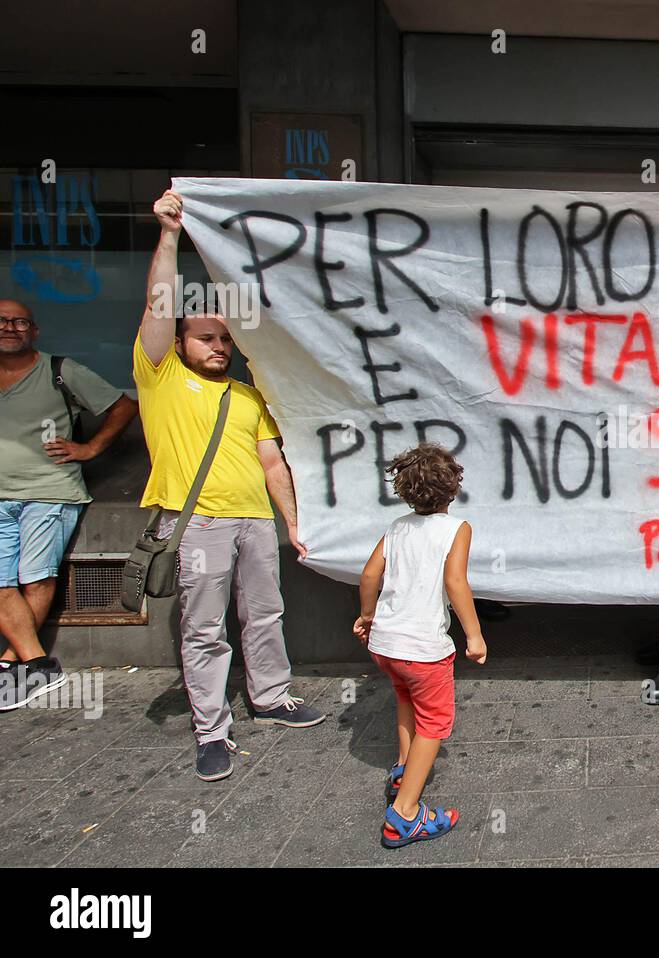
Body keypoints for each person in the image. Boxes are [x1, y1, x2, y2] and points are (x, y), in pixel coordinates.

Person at [137, 189, 324, 781]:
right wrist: (169, 235)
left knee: (265, 613)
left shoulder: (247, 396)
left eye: (225, 340)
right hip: (197, 525)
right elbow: (158, 305)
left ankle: (271, 698)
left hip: (255, 522)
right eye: (205, 338)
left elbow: (273, 464)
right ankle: (212, 731)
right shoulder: (160, 376)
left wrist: (292, 521)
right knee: (204, 629)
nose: (218, 347)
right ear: (181, 343)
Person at [0, 299, 137, 709]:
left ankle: (14, 664)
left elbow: (123, 406)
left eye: (20, 321)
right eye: (2, 321)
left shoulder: (60, 371)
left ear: (34, 331)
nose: (10, 327)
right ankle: (36, 663)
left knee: (36, 577)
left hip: (50, 491)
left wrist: (90, 447)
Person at [353, 443, 487, 848]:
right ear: (453, 487)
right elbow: (455, 583)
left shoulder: (396, 528)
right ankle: (405, 814)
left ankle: (402, 768)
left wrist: (367, 614)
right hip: (423, 649)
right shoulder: (457, 528)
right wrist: (474, 635)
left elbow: (368, 575)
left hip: (386, 645)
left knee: (405, 698)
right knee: (435, 722)